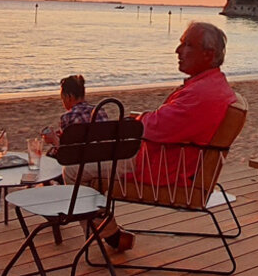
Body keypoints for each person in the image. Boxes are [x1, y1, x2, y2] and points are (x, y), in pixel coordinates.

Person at [80, 22, 236, 251]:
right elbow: (159, 125)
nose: (178, 50)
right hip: (168, 159)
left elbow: (151, 129)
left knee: (74, 170)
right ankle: (108, 230)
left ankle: (111, 235)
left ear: (208, 54)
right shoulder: (212, 85)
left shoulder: (200, 95)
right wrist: (140, 119)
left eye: (187, 45)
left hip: (161, 168)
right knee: (90, 155)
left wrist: (136, 120)